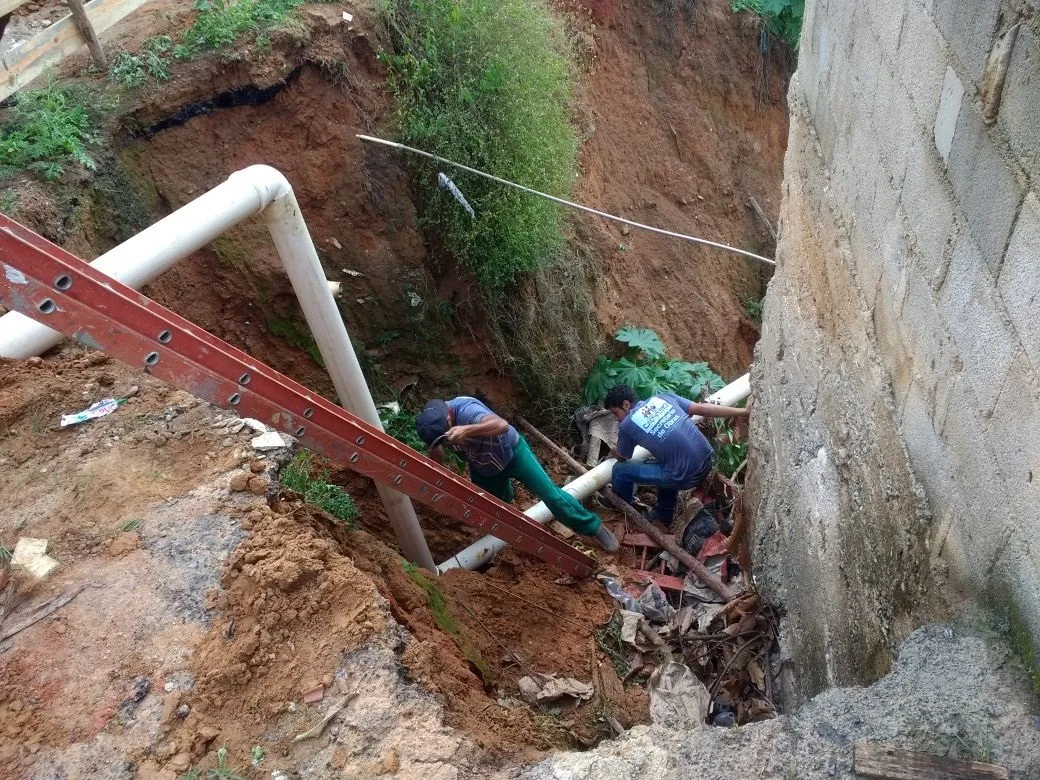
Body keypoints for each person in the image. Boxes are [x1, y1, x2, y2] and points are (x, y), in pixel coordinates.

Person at [415, 396, 620, 552]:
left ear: (450, 419)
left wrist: (466, 431)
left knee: (550, 495)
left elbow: (502, 425)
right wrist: (437, 452)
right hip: (485, 467)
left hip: (512, 453)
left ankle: (594, 527)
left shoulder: (467, 410)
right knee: (493, 506)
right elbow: (437, 461)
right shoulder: (434, 423)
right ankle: (506, 529)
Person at [604, 384, 749, 526]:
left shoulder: (627, 424)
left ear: (626, 404)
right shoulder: (663, 398)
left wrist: (612, 451)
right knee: (667, 463)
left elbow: (623, 457)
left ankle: (625, 510)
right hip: (707, 462)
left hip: (685, 476)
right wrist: (743, 411)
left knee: (620, 470)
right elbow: (704, 409)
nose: (616, 418)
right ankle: (663, 515)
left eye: (615, 413)